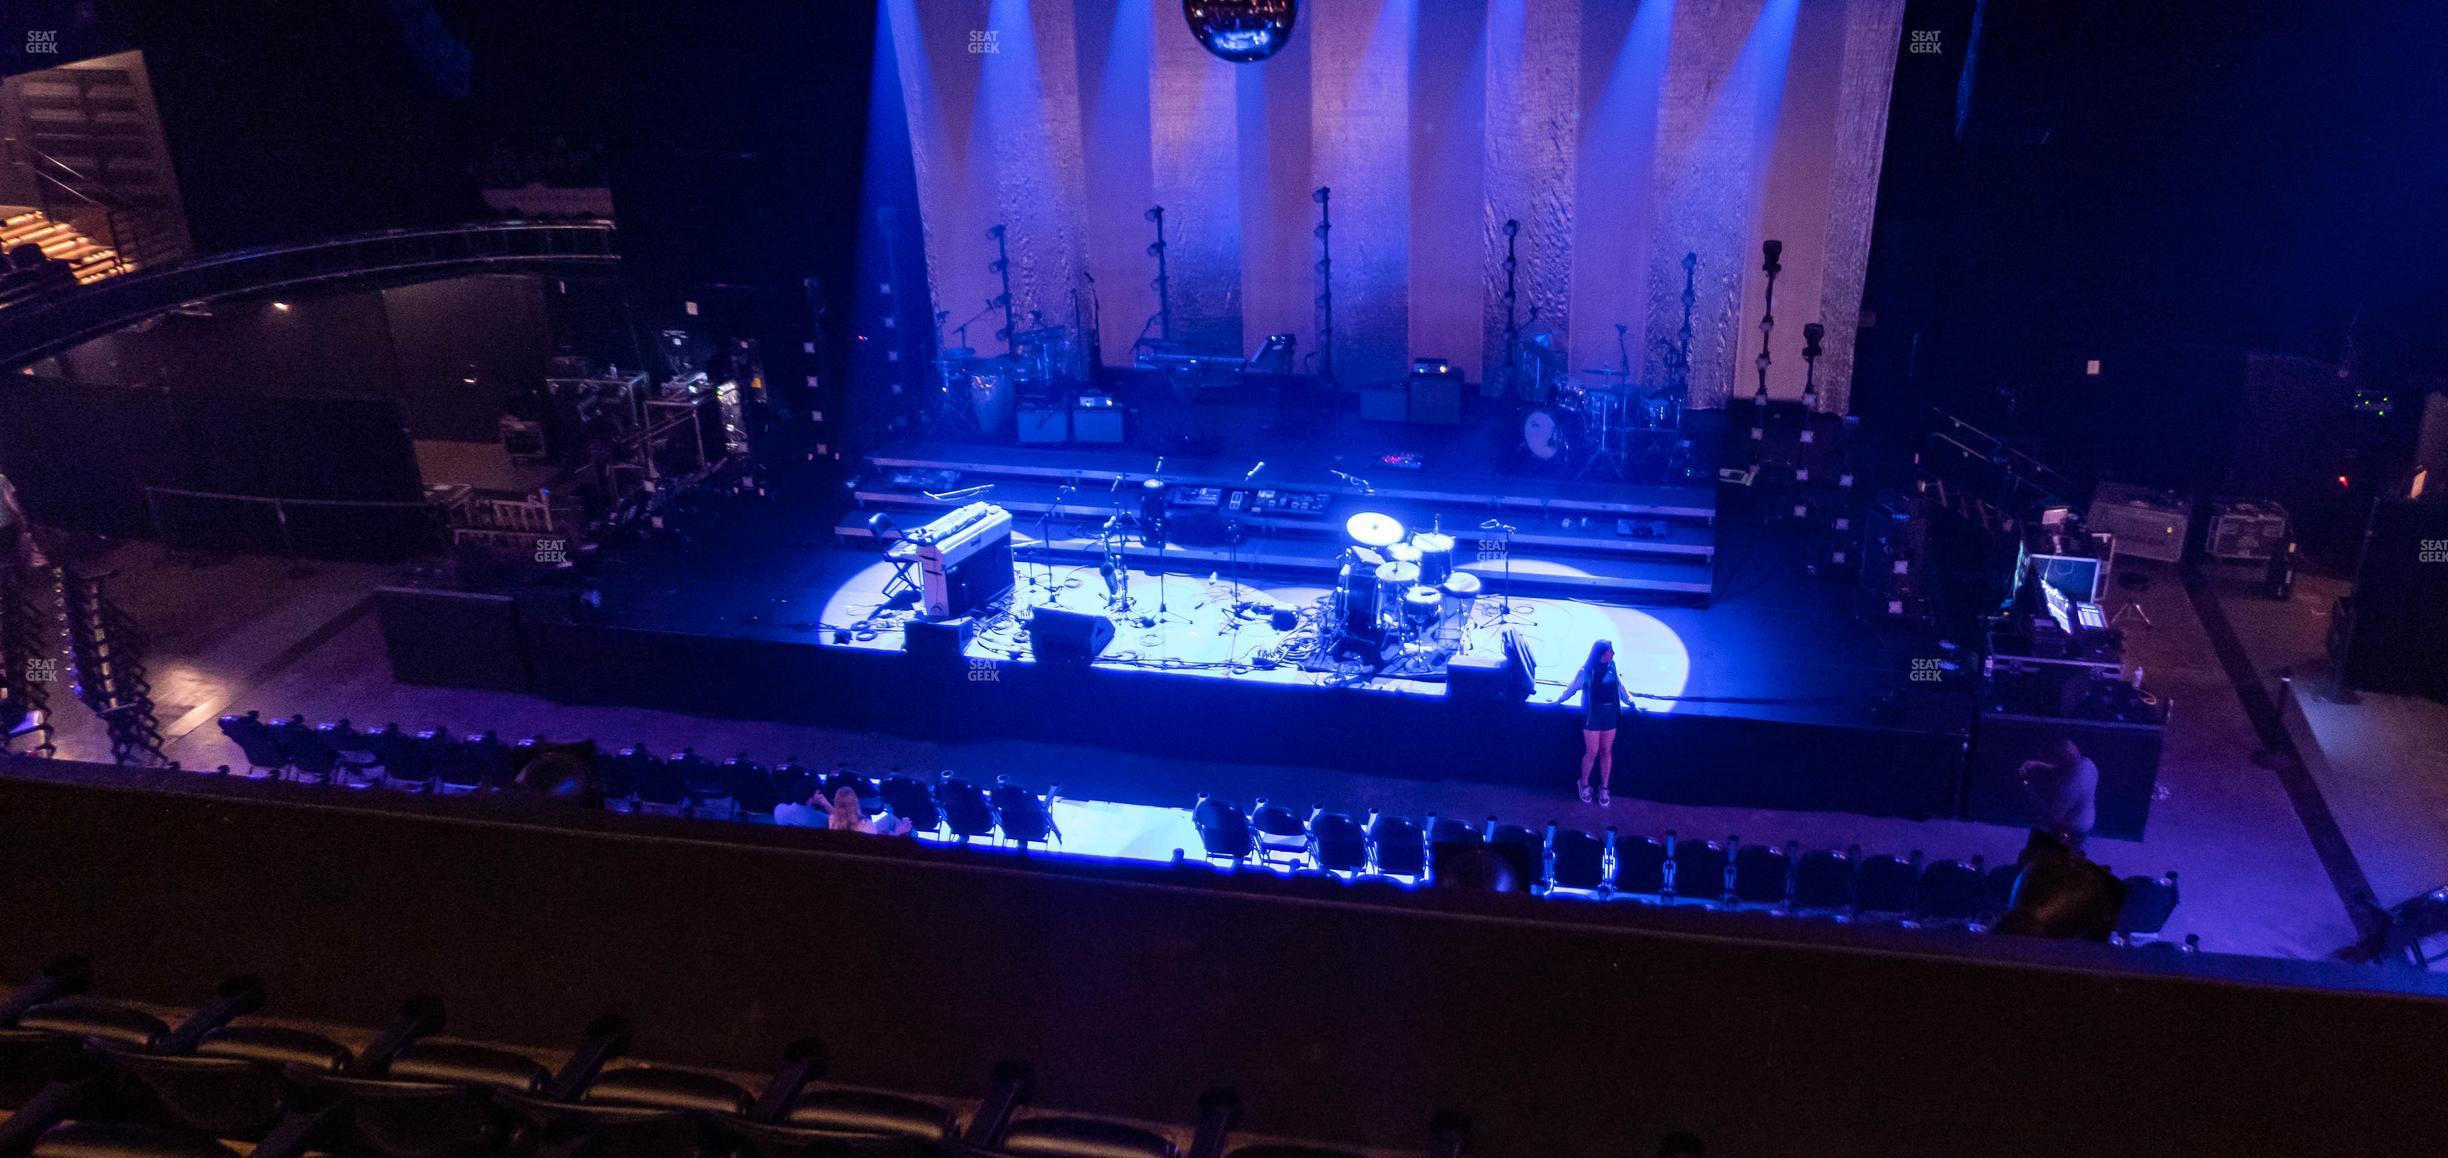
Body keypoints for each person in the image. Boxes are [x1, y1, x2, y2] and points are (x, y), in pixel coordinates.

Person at [1553, 639, 1637, 805]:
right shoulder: (1586, 671)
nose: (1612, 653)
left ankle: (1604, 787)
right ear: (1600, 654)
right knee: (1592, 752)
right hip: (1593, 715)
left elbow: (1620, 686)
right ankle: (1583, 783)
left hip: (1609, 714)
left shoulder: (1612, 666)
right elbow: (1573, 687)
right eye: (1609, 651)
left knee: (1606, 751)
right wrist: (1559, 700)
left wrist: (1631, 701)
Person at [2016, 736, 2099, 856]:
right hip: (2084, 823)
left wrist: (2027, 790)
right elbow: (2064, 768)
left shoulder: (2070, 787)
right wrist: (2038, 764)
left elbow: (2053, 818)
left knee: (2058, 862)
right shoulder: (2088, 764)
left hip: (2070, 833)